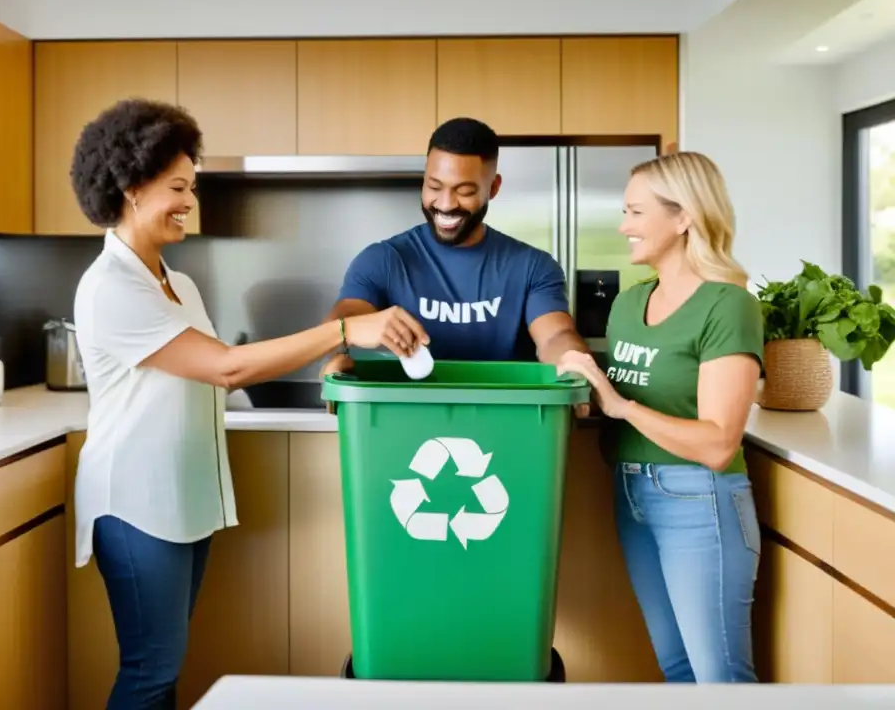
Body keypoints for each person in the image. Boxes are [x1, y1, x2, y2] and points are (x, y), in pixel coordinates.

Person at [69, 98, 429, 710]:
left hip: (181, 498)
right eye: (177, 187)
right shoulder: (110, 287)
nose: (190, 201)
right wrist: (346, 332)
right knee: (149, 670)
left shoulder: (172, 281)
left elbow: (210, 368)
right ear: (131, 188)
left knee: (165, 665)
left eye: (192, 186)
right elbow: (227, 369)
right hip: (134, 504)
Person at [557, 151, 763, 683]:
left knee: (721, 679)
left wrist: (619, 404)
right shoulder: (630, 302)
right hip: (631, 493)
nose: (623, 226)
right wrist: (581, 385)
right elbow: (618, 394)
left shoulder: (728, 305)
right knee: (676, 670)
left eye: (635, 212)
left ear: (684, 216)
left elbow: (719, 443)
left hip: (699, 500)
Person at [320, 116, 590, 387]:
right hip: (405, 419)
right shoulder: (383, 260)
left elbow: (555, 336)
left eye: (464, 191)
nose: (446, 204)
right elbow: (344, 321)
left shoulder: (533, 267)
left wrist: (573, 364)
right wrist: (337, 356)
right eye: (434, 187)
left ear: (493, 188)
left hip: (506, 420)